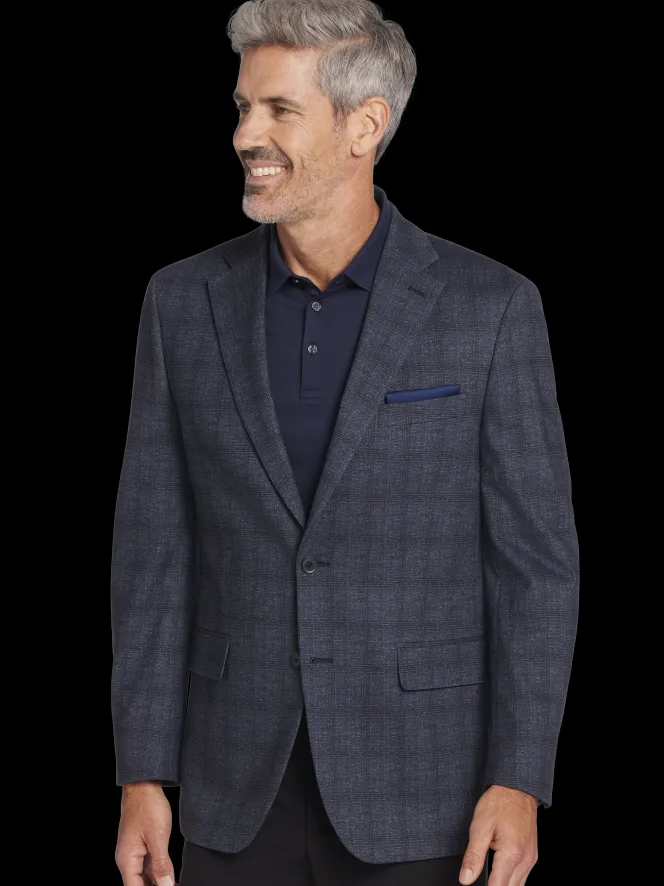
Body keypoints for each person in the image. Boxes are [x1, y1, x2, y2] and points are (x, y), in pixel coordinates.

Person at [111, 2, 579, 884]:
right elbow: (153, 555)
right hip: (232, 785)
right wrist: (142, 771)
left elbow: (535, 569)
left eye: (279, 109)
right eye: (242, 107)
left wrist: (519, 777)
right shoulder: (180, 304)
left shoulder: (490, 309)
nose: (246, 134)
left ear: (366, 125)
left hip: (426, 789)